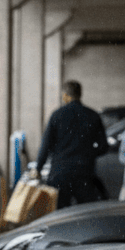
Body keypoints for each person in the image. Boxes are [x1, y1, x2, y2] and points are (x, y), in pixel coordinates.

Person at [33, 80, 108, 208]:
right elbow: (103, 146)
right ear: (80, 94)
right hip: (84, 172)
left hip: (60, 173)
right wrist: (88, 154)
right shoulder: (93, 115)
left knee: (60, 212)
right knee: (85, 212)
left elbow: (46, 145)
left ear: (65, 95)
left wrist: (38, 168)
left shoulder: (57, 115)